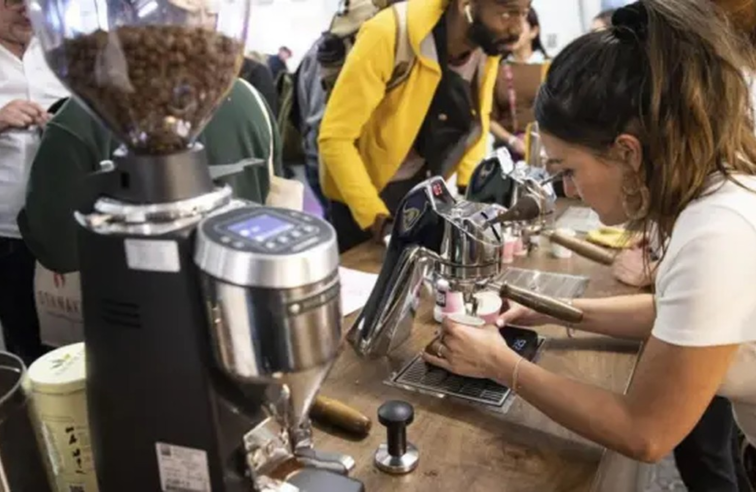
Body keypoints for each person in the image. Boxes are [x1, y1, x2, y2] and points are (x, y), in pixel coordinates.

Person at [423, 3, 756, 492]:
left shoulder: (716, 231)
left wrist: (497, 362)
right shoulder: (710, 199)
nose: (569, 190)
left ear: (627, 151)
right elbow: (669, 314)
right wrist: (551, 309)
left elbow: (645, 431)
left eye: (568, 170)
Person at [319, 0, 530, 252]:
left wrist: (469, 192)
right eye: (508, 13)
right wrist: (377, 219)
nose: (518, 29)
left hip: (420, 186)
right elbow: (335, 138)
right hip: (361, 196)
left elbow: (477, 120)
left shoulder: (486, 46)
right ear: (466, 5)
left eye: (524, 13)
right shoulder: (389, 32)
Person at [18, 80, 282, 274]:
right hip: (242, 298)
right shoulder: (251, 99)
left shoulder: (80, 116)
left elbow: (59, 252)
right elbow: (270, 190)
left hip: (134, 321)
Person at [0, 0, 68, 363]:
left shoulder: (58, 50)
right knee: (27, 338)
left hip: (67, 226)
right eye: (12, 1)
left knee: (75, 339)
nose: (25, 10)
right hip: (5, 233)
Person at [295, 0, 382, 216]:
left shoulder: (318, 49)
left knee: (334, 221)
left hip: (314, 155)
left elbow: (305, 107)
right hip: (340, 161)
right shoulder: (364, 50)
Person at [489, 8, 548, 160]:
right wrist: (512, 140)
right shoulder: (495, 70)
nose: (512, 32)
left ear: (534, 31)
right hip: (509, 155)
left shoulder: (551, 68)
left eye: (519, 25)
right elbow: (487, 118)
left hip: (548, 152)